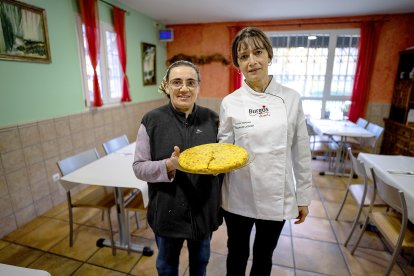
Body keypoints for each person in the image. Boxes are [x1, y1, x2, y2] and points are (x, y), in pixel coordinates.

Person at [218, 27, 312, 276]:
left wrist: (303, 196)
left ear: (269, 55)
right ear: (238, 64)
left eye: (258, 52)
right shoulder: (230, 102)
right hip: (238, 194)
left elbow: (301, 151)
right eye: (244, 56)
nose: (252, 61)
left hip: (276, 195)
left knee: (264, 255)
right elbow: (224, 152)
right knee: (236, 253)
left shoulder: (291, 99)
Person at [132, 60, 222, 276]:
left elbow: (223, 161)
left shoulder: (213, 120)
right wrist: (168, 165)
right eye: (177, 82)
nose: (184, 88)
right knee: (166, 266)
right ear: (167, 86)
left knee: (200, 263)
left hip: (203, 211)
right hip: (166, 212)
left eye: (191, 82)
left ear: (199, 87)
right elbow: (138, 167)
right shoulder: (151, 121)